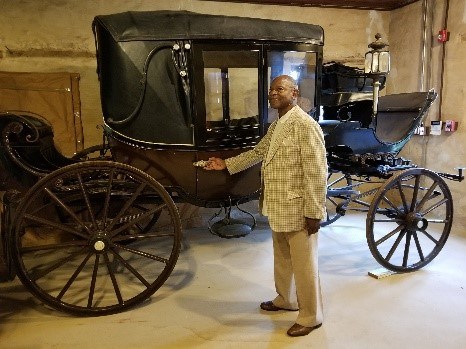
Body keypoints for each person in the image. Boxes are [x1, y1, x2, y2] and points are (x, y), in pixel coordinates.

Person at [204, 75, 327, 337]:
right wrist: (227, 164)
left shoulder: (305, 125)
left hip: (298, 208)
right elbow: (259, 152)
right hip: (279, 205)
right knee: (283, 258)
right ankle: (287, 299)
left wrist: (314, 212)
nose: (273, 93)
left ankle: (311, 316)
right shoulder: (278, 125)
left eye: (279, 89)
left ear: (294, 93)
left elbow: (317, 172)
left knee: (305, 264)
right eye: (271, 89)